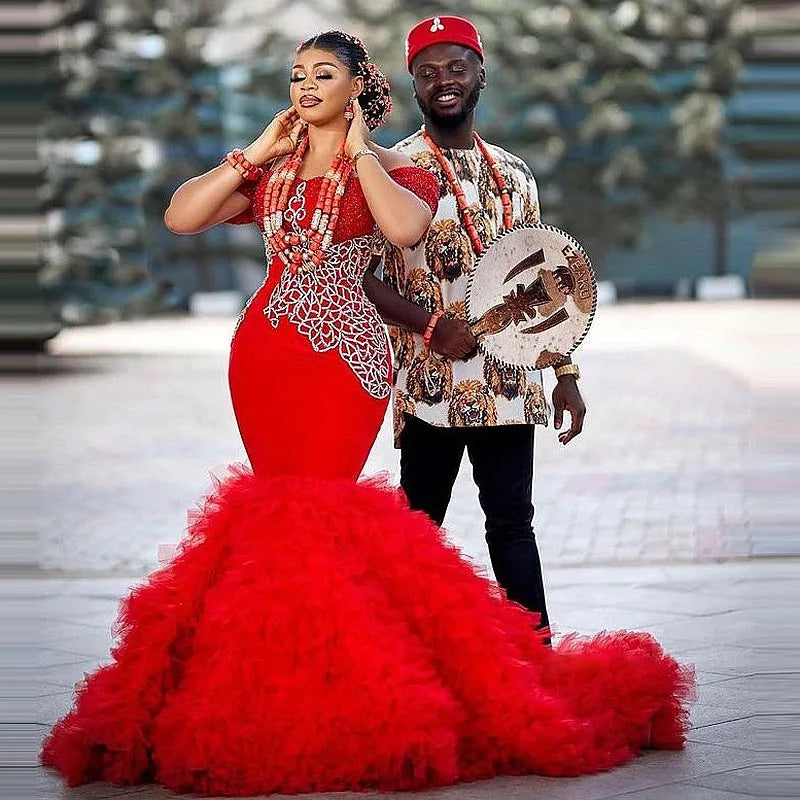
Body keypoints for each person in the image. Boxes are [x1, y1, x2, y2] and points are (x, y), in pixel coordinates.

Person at [41, 31, 692, 798]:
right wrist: (257, 146)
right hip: (270, 354)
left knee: (370, 519)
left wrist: (357, 150)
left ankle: (426, 682)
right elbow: (183, 217)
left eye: (324, 75)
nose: (305, 86)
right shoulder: (275, 171)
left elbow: (410, 230)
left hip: (354, 361)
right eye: (296, 75)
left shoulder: (398, 167)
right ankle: (270, 685)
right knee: (282, 520)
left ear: (359, 88)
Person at [382, 16, 586, 637]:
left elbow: (544, 287)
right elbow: (359, 275)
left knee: (512, 522)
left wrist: (566, 373)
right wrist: (429, 322)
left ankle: (536, 661)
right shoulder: (391, 169)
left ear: (480, 76)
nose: (444, 81)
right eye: (428, 72)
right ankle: (404, 664)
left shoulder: (517, 176)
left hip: (509, 386)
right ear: (414, 85)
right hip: (430, 386)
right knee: (417, 530)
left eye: (456, 68)